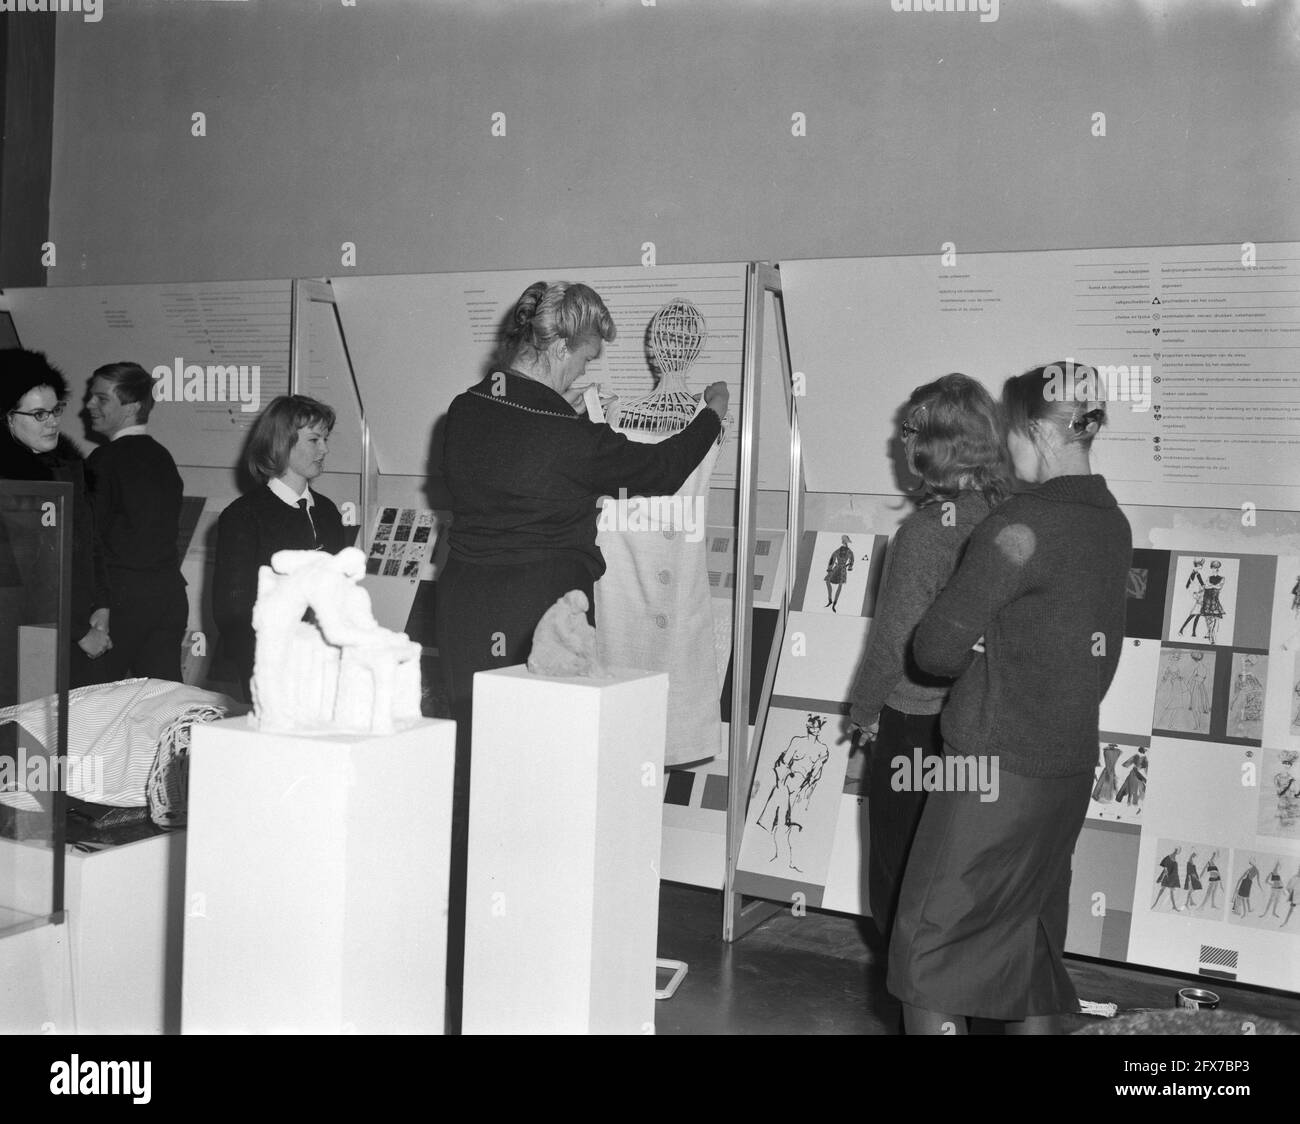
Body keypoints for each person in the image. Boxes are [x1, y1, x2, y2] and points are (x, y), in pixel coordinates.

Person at [436, 279, 726, 1031]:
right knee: (548, 790)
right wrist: (712, 417)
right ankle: (541, 958)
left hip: (467, 609)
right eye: (586, 359)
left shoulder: (465, 413)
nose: (588, 375)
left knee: (478, 778)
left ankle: (475, 951)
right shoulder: (563, 434)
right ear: (557, 346)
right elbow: (659, 472)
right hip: (545, 616)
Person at [888, 360, 1132, 1036]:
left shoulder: (1018, 526)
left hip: (989, 773)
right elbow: (1098, 658)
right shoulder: (1111, 522)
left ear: (1036, 432)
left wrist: (984, 649)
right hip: (1066, 768)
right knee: (1028, 949)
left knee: (927, 956)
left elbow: (933, 650)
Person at [846, 373, 1009, 943]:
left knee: (900, 881)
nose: (901, 442)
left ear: (934, 446)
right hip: (996, 725)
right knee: (967, 881)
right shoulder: (1014, 519)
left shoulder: (922, 535)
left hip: (918, 724)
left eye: (910, 430)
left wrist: (864, 710)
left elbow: (894, 642)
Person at [213, 395, 344, 694]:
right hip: (270, 666)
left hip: (324, 662)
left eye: (325, 439)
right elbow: (232, 611)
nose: (325, 449)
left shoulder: (327, 512)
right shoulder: (243, 515)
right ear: (282, 443)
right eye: (314, 440)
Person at [0, 349, 111, 689]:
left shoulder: (69, 468)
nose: (52, 421)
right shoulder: (9, 484)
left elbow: (89, 542)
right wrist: (78, 631)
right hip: (26, 636)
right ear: (7, 418)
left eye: (55, 410)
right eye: (38, 414)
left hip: (76, 626)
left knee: (72, 734)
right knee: (31, 739)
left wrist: (102, 604)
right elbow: (24, 581)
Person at [83, 362, 188, 682]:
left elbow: (90, 541)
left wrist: (99, 606)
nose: (89, 405)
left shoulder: (105, 460)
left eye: (101, 399)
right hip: (167, 596)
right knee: (163, 704)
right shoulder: (162, 457)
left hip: (120, 601)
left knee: (87, 703)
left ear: (132, 407)